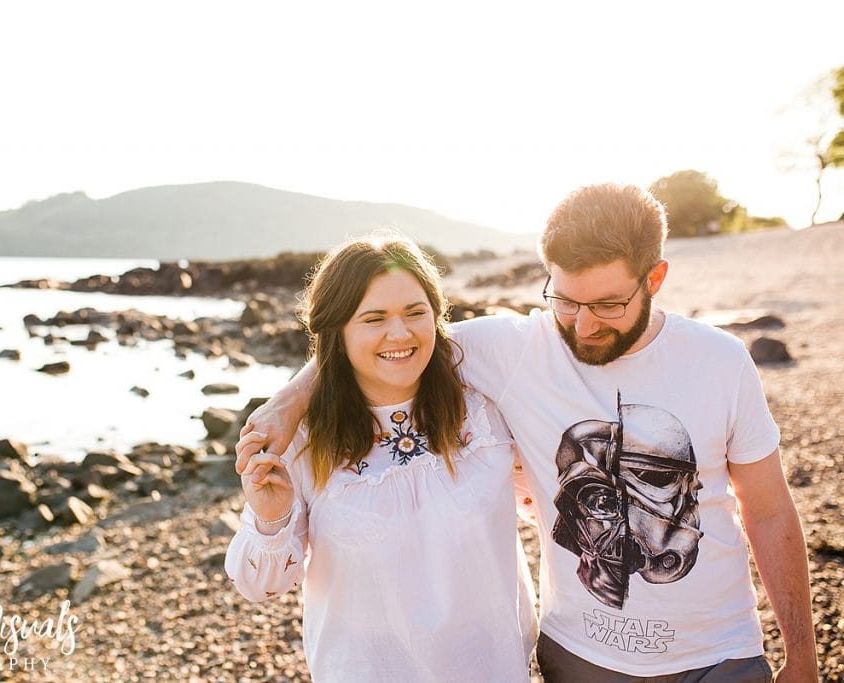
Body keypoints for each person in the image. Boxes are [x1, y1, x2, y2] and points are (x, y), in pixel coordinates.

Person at [242, 184, 818, 682]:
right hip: (580, 657)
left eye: (609, 304)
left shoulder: (719, 362)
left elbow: (766, 510)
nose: (585, 325)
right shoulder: (517, 351)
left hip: (718, 657)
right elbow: (389, 338)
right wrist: (290, 402)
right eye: (566, 300)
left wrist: (803, 656)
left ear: (656, 278)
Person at [224, 235, 537, 682]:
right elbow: (259, 587)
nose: (400, 334)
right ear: (338, 332)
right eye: (374, 319)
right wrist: (270, 517)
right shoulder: (304, 437)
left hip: (492, 667)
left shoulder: (486, 405)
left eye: (415, 312)